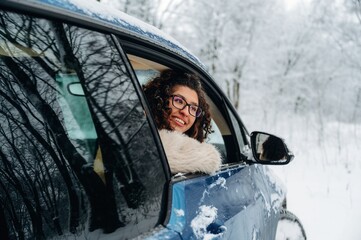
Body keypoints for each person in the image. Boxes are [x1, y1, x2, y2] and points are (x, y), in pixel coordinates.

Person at [143, 69, 221, 174]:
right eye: (179, 101)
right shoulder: (143, 144)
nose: (185, 112)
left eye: (193, 108)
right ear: (159, 99)